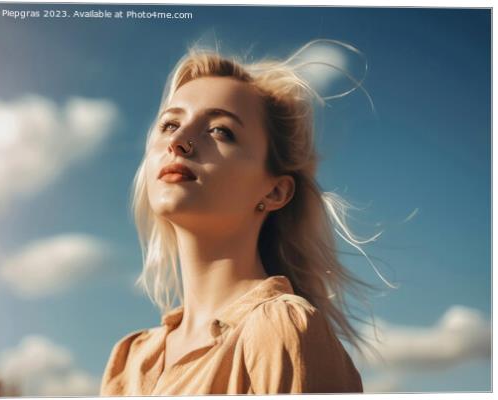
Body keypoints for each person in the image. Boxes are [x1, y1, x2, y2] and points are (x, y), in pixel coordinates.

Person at [100, 39, 388, 396]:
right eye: (170, 125)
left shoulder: (281, 329)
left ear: (275, 192)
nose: (180, 142)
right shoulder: (130, 359)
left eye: (220, 130)